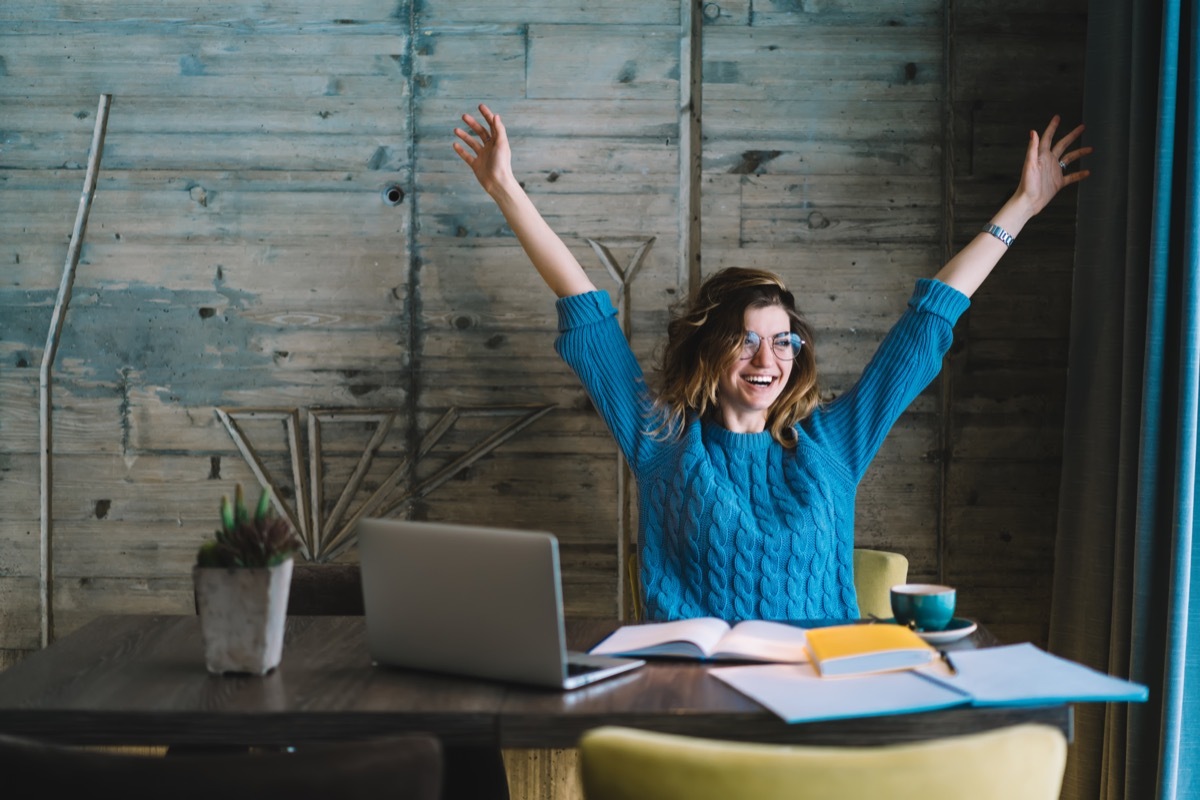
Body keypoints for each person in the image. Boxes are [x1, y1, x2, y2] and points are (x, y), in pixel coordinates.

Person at [454, 103, 1091, 622]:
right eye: (747, 340)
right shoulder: (664, 439)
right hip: (699, 686)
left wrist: (1023, 208)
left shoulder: (831, 445)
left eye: (784, 340)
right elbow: (590, 320)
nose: (769, 358)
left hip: (821, 683)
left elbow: (926, 325)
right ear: (710, 350)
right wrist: (507, 189)